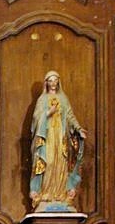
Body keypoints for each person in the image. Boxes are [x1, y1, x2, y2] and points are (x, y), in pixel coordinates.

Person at [29, 71, 87, 210]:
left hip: (61, 136)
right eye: (50, 80)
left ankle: (60, 194)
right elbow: (36, 118)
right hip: (47, 136)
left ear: (58, 82)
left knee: (61, 163)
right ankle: (45, 193)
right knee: (48, 162)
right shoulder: (42, 99)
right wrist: (48, 113)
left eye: (55, 80)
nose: (53, 83)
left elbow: (70, 116)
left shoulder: (63, 99)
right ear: (46, 83)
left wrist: (78, 129)